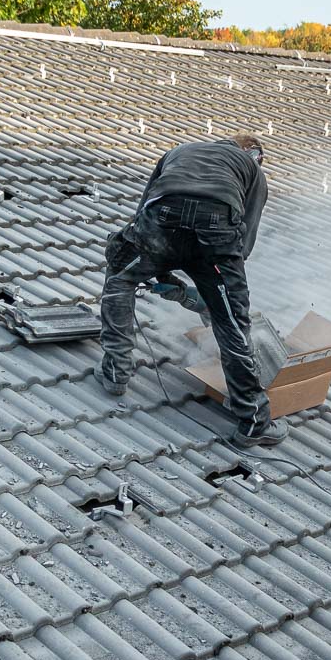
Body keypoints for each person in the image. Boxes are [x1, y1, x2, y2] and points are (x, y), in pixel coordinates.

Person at [97, 134, 285, 448]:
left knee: (120, 278)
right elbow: (245, 241)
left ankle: (116, 372)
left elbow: (146, 211)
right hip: (217, 232)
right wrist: (223, 292)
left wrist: (157, 266)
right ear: (253, 155)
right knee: (233, 325)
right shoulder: (253, 170)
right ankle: (254, 423)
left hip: (161, 221)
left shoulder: (180, 151)